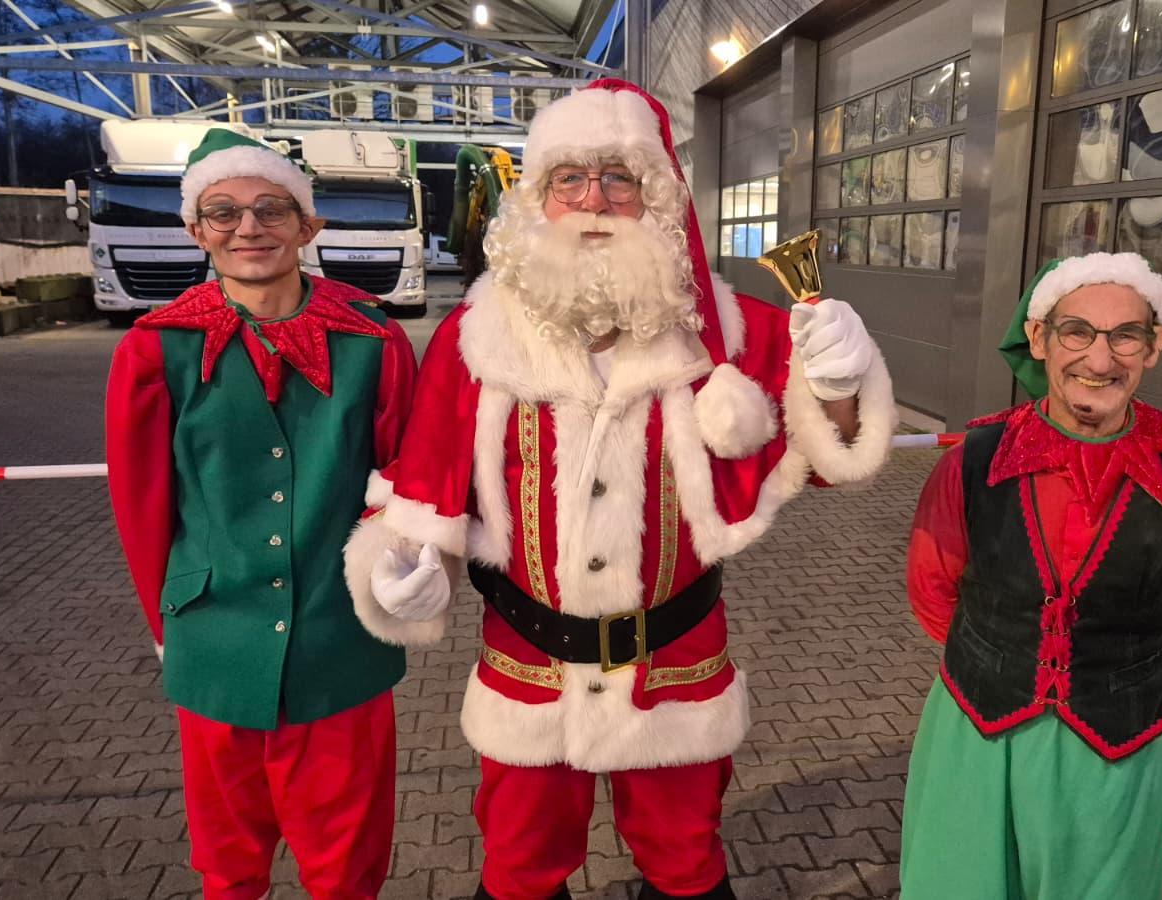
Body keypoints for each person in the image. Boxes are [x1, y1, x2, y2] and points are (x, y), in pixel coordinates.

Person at [341, 79, 895, 900]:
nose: (594, 200)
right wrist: (403, 557)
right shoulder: (477, 333)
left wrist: (846, 377)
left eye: (619, 179)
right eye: (570, 178)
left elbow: (836, 446)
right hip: (526, 663)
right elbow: (428, 468)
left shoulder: (727, 331)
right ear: (539, 199)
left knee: (685, 863)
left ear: (657, 199)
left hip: (675, 662)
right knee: (521, 866)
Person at [105, 128, 417, 900]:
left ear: (308, 226)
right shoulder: (153, 350)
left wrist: (405, 576)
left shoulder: (377, 341)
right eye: (223, 211)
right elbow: (142, 504)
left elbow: (406, 482)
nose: (248, 228)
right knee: (228, 867)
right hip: (215, 639)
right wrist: (166, 625)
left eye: (271, 209)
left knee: (347, 866)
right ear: (195, 230)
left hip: (341, 640)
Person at [899, 251, 1162, 898]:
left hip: (1124, 744)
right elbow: (932, 587)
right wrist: (1002, 657)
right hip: (977, 728)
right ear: (1039, 337)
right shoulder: (971, 465)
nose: (1099, 359)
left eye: (1126, 335)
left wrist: (1120, 680)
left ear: (1155, 347)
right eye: (1077, 331)